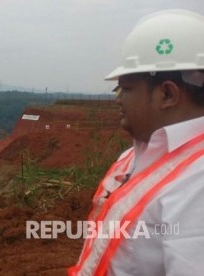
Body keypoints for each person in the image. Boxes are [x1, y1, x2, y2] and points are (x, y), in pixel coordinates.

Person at [68, 9, 204, 275]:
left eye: (126, 88)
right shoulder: (135, 156)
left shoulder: (197, 184)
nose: (118, 99)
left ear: (167, 94)